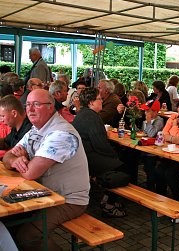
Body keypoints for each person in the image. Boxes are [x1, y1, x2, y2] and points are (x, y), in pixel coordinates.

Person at [3, 89, 90, 250]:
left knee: (28, 237)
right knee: (9, 223)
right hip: (44, 194)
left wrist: (21, 161)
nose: (30, 109)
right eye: (28, 104)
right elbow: (8, 156)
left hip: (68, 200)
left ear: (51, 107)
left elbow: (30, 173)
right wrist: (15, 160)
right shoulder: (36, 129)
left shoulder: (61, 134)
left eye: (36, 104)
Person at [72, 87, 129, 217]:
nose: (101, 101)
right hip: (89, 157)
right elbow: (100, 145)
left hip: (82, 155)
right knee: (123, 168)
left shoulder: (83, 114)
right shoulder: (92, 117)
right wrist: (114, 157)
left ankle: (108, 195)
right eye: (99, 99)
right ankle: (108, 203)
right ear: (91, 102)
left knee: (120, 162)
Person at [140, 99, 165, 191]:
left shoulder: (159, 121)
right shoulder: (146, 121)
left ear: (155, 111)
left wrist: (149, 122)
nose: (145, 113)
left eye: (147, 111)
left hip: (154, 152)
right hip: (146, 148)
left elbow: (151, 134)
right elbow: (144, 133)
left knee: (150, 168)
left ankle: (151, 188)